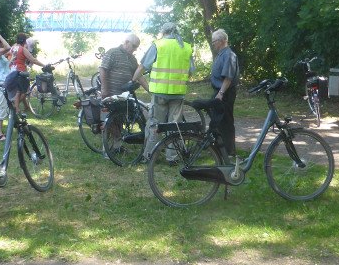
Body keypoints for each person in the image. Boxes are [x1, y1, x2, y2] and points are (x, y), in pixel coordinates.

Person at [132, 22, 195, 161]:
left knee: (156, 125)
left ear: (163, 32)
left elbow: (143, 66)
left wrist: (133, 79)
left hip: (160, 93)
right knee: (175, 125)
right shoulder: (186, 47)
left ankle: (149, 156)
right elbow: (191, 71)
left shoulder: (158, 45)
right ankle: (172, 157)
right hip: (178, 93)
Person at [209, 29, 239, 158]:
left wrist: (221, 93)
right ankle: (219, 147)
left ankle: (229, 151)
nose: (213, 44)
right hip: (219, 91)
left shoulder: (229, 55)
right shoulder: (221, 54)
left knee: (226, 121)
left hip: (225, 92)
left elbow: (228, 77)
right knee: (216, 119)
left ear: (221, 41)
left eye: (214, 41)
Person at [5, 32, 46, 114]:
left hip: (12, 71)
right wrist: (44, 65)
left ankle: (18, 109)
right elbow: (33, 59)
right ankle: (14, 107)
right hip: (21, 72)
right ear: (24, 41)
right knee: (25, 91)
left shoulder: (13, 48)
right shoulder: (23, 49)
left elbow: (7, 55)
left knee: (18, 91)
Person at [100, 34, 148, 98]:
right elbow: (103, 69)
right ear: (126, 42)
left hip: (127, 96)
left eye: (137, 47)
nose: (135, 49)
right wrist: (104, 89)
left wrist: (150, 91)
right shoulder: (112, 52)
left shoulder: (133, 59)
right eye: (134, 46)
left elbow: (139, 76)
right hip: (111, 95)